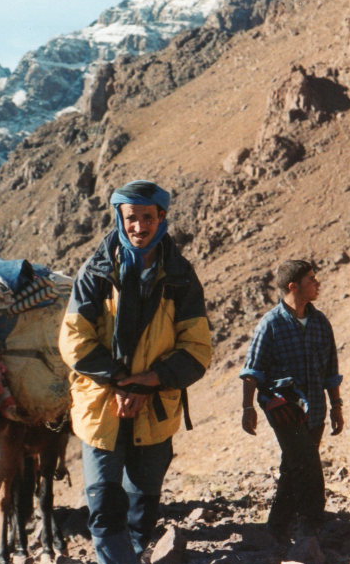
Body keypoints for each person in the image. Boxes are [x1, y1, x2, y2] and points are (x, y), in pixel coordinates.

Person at [58, 180, 213, 564]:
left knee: (142, 504)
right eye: (131, 218)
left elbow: (197, 349)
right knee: (104, 502)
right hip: (102, 406)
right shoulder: (96, 272)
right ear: (118, 218)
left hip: (155, 407)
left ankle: (136, 553)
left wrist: (149, 383)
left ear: (162, 217)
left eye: (147, 217)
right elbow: (74, 340)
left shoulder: (179, 276)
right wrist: (121, 382)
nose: (139, 227)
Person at [240, 260, 343, 544]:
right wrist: (248, 408)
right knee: (308, 463)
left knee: (294, 464)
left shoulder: (321, 323)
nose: (318, 283)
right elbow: (253, 371)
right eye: (312, 279)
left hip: (316, 410)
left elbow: (331, 371)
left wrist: (336, 407)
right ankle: (312, 525)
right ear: (293, 286)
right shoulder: (271, 324)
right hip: (283, 409)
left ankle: (277, 526)